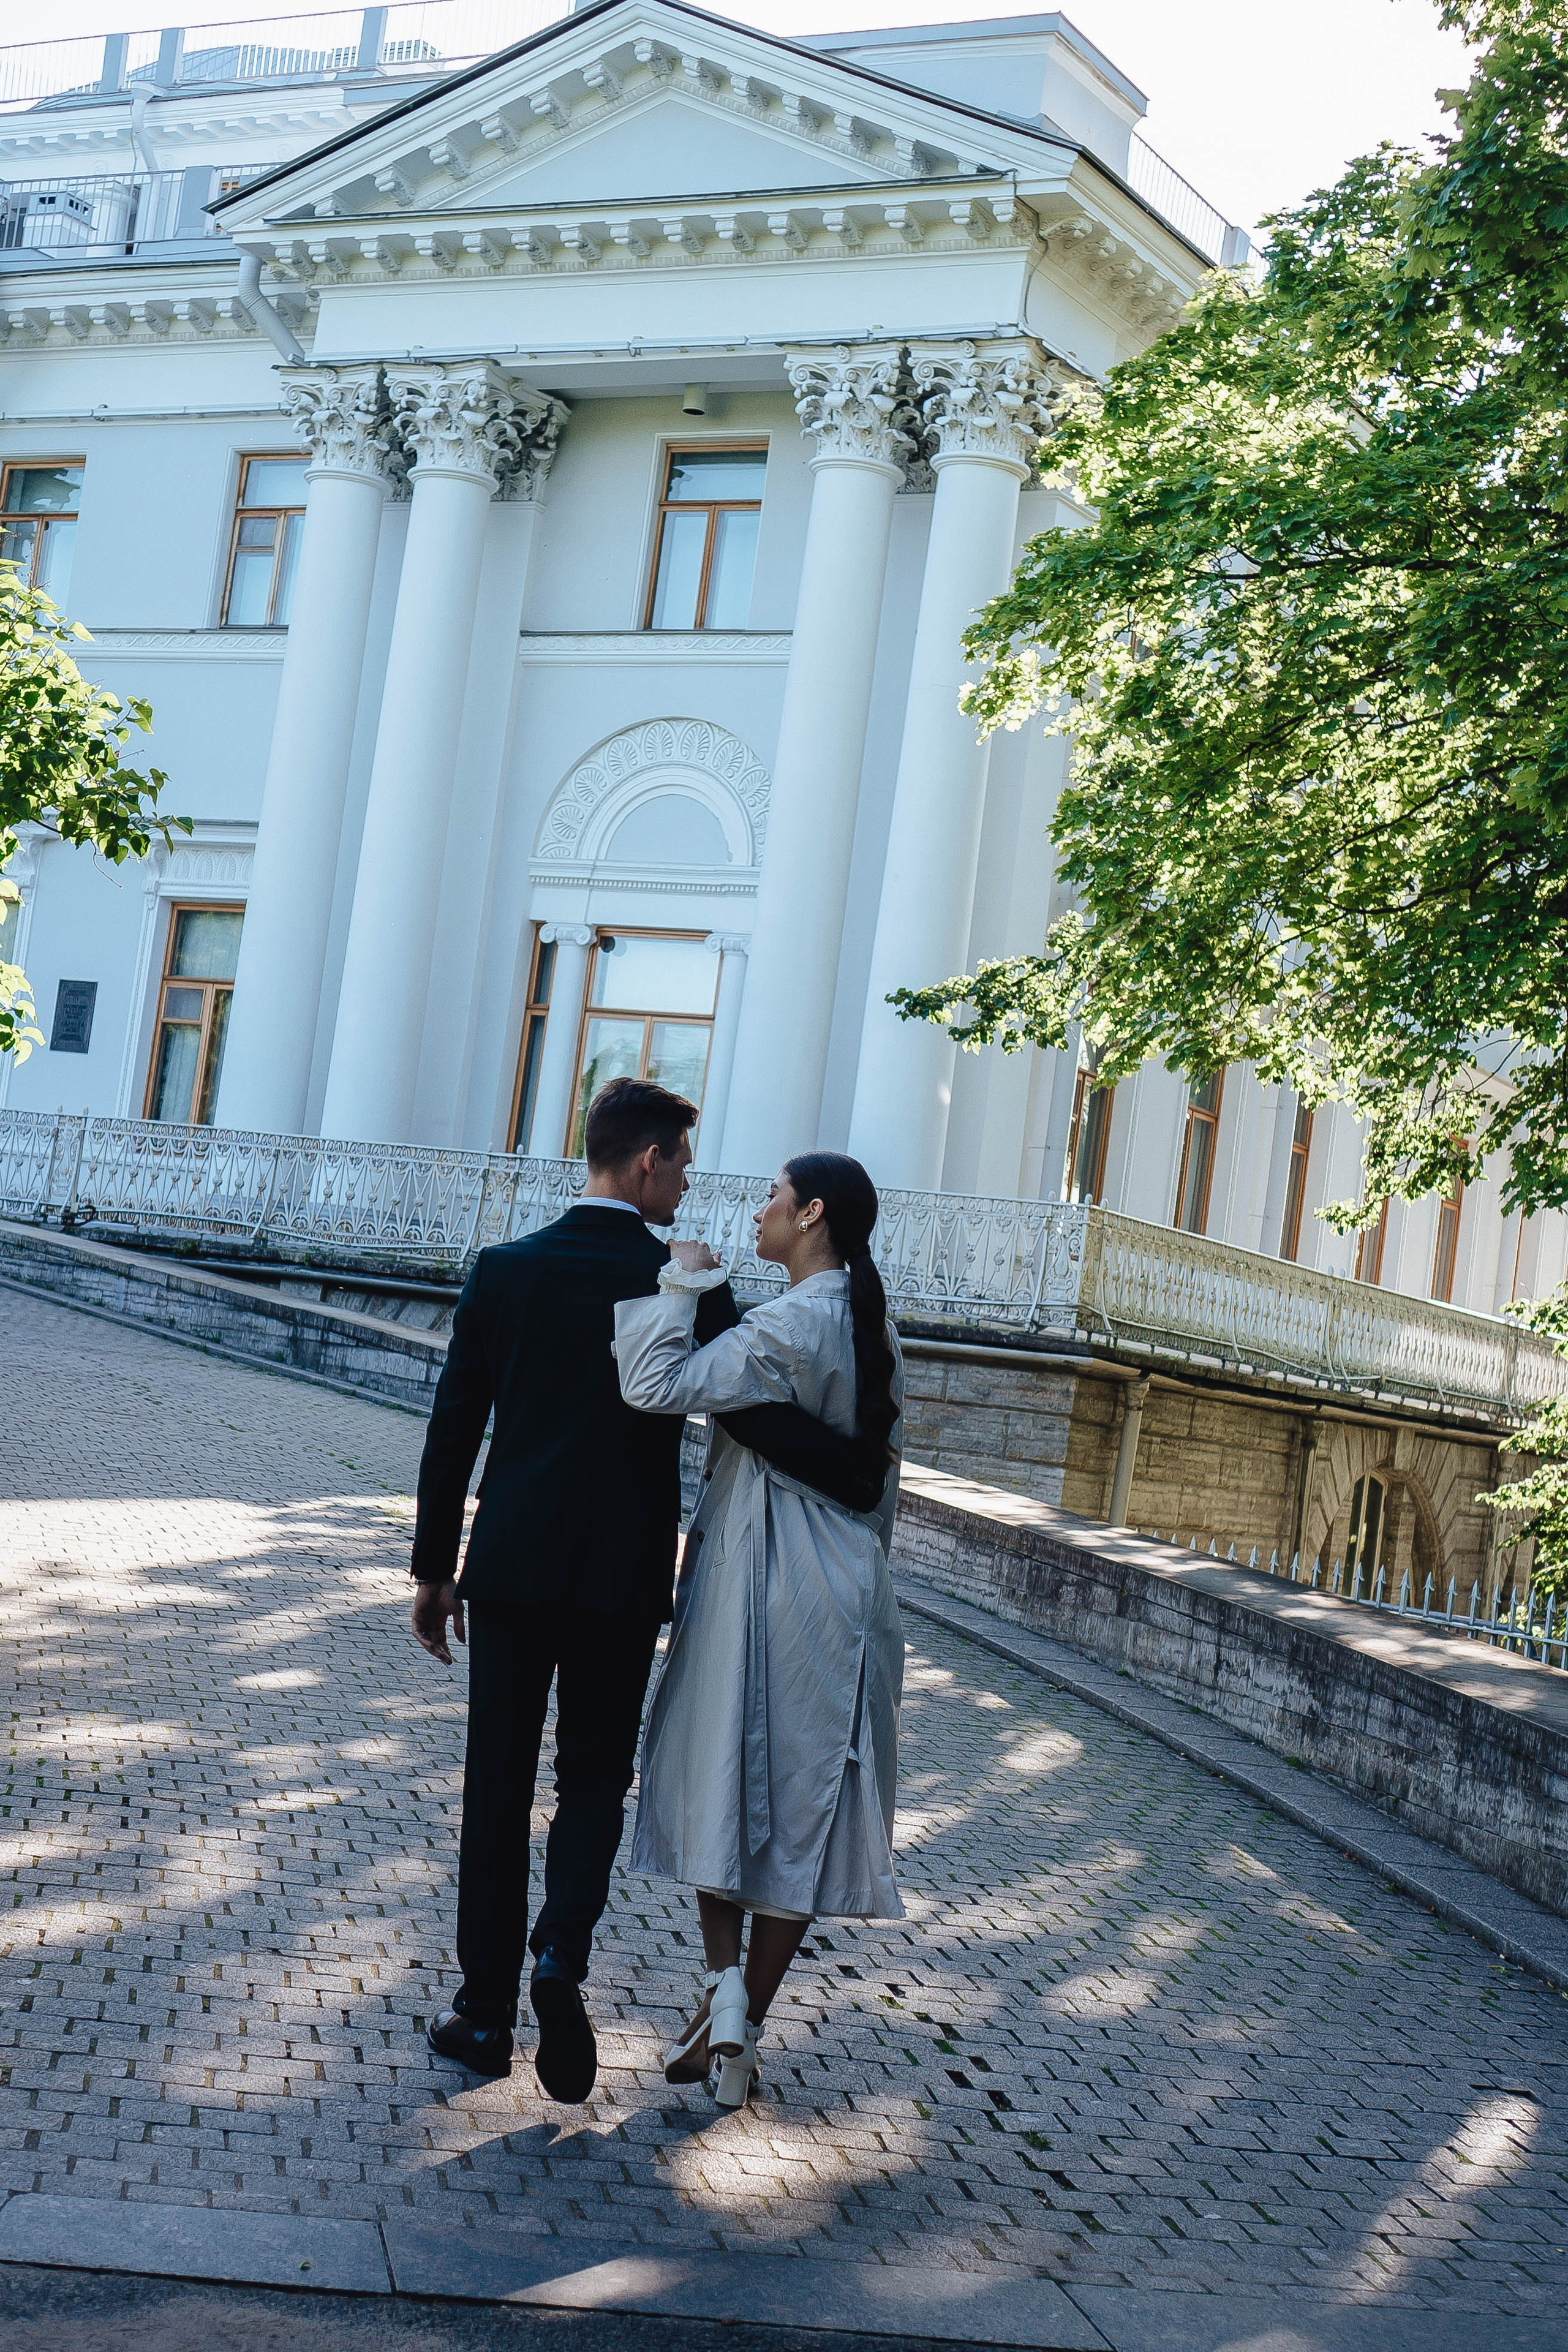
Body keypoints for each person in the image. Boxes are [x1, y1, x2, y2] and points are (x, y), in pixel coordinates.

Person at [409, 1080, 884, 2103]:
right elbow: (746, 1408)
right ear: (647, 1162)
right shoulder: (691, 1284)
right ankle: (560, 1957)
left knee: (496, 1784)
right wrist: (857, 1470)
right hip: (623, 1578)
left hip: (514, 1567)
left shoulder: (504, 1269)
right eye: (683, 1166)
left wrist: (435, 1568)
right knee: (592, 1781)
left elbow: (454, 1429)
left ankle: (484, 2013)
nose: (691, 1188)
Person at [612, 1152, 904, 2110]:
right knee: (808, 1803)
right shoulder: (872, 1324)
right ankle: (737, 2027)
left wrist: (680, 1282)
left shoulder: (785, 1325)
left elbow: (652, 1384)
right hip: (848, 1590)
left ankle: (723, 1982)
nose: (757, 1210)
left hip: (758, 1575)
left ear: (810, 1214)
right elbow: (881, 1485)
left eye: (772, 1196)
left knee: (719, 1771)